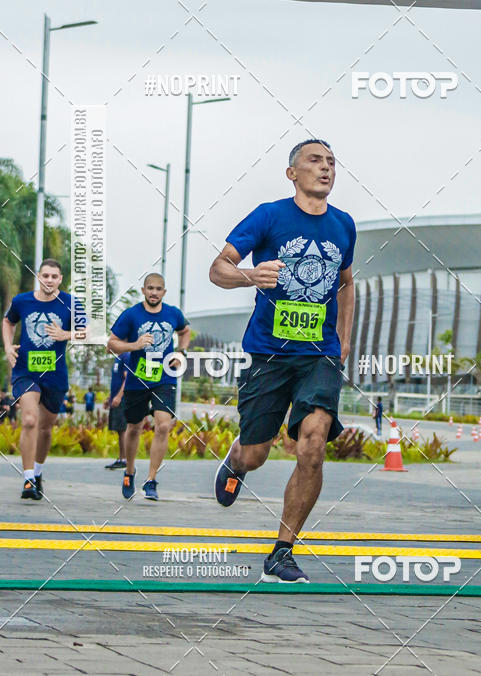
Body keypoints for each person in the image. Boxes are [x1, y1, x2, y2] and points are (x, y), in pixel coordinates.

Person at [210, 139, 356, 583]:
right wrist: (249, 276)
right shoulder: (269, 216)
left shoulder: (344, 225)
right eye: (315, 160)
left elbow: (347, 284)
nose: (326, 167)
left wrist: (344, 341)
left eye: (332, 161)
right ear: (292, 173)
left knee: (312, 444)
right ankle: (236, 463)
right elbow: (218, 268)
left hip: (319, 355)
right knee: (256, 452)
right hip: (269, 354)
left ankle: (282, 550)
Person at [2, 259, 81, 500]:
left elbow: (89, 332)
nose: (49, 280)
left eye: (54, 277)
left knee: (45, 428)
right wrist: (7, 347)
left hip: (55, 375)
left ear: (60, 279)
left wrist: (65, 334)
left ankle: (37, 473)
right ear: (38, 276)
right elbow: (8, 321)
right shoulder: (22, 301)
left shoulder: (70, 303)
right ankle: (27, 479)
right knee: (28, 420)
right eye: (45, 276)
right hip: (25, 371)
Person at [107, 274, 190, 501]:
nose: (154, 292)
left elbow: (184, 331)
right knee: (134, 427)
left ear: (164, 292)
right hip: (137, 380)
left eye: (158, 289)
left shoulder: (173, 313)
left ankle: (151, 480)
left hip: (165, 378)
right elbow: (111, 345)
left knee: (163, 426)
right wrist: (134, 345)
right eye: (150, 288)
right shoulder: (131, 315)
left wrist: (181, 352)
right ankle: (130, 471)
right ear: (144, 290)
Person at [104, 352, 129, 469]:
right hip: (116, 397)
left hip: (123, 399)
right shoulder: (117, 358)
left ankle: (125, 459)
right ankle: (120, 457)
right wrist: (110, 397)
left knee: (123, 429)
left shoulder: (126, 355)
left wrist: (119, 396)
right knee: (119, 430)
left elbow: (127, 378)